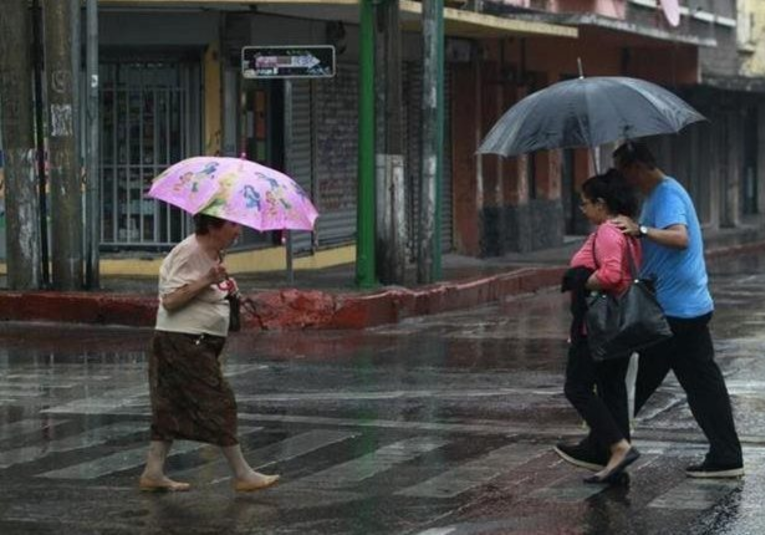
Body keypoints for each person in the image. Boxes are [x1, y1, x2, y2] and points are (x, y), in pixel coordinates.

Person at [611, 141, 743, 478]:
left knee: (632, 380)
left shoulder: (667, 194)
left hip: (672, 311)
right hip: (688, 306)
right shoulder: (661, 195)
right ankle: (726, 456)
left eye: (627, 174)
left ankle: (607, 445)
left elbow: (679, 237)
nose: (627, 183)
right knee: (703, 384)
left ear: (639, 167)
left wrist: (639, 229)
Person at [139, 214, 280, 492]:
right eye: (233, 224)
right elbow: (170, 300)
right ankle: (242, 473)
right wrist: (207, 280)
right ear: (212, 226)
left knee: (170, 406)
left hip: (194, 342)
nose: (239, 230)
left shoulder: (213, 253)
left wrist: (224, 288)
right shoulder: (188, 252)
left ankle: (153, 472)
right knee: (220, 401)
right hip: (183, 342)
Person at [557, 169, 642, 484]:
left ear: (601, 203)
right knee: (612, 391)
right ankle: (612, 459)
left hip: (596, 328)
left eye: (585, 202)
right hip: (621, 327)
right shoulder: (627, 232)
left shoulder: (608, 231)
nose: (582, 209)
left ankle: (618, 446)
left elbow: (611, 276)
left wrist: (577, 281)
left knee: (577, 388)